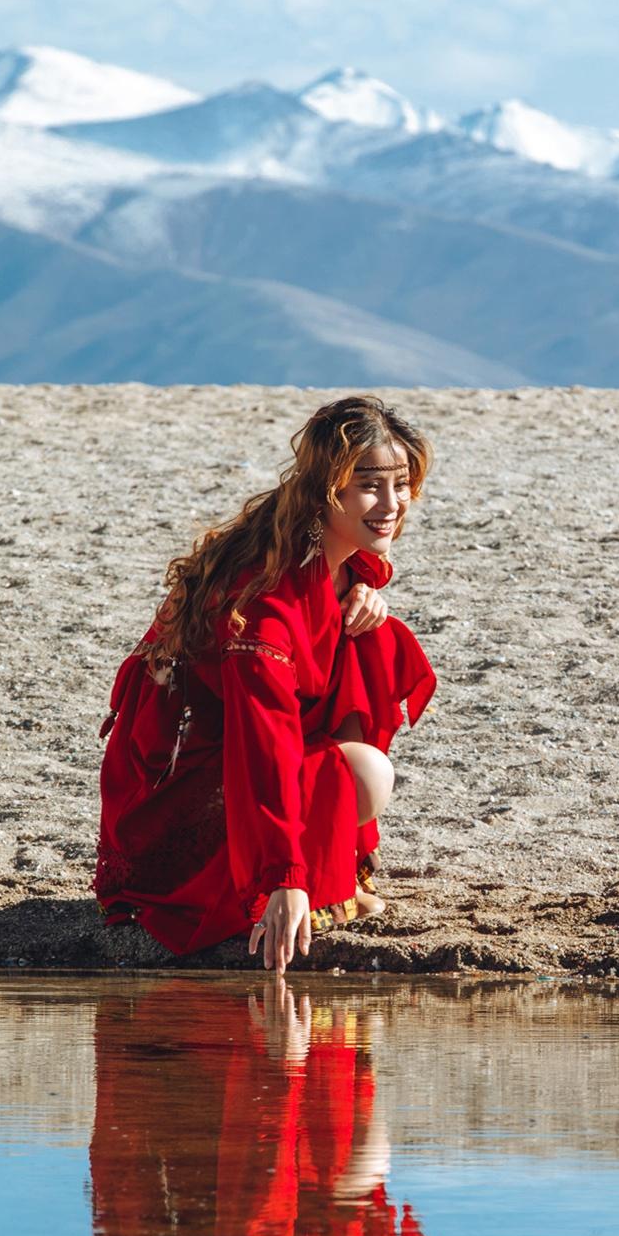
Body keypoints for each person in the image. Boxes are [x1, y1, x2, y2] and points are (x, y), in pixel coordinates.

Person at [93, 394, 437, 971]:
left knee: (376, 637)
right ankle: (307, 880)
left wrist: (368, 598)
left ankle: (340, 866)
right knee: (358, 770)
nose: (392, 503)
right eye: (370, 485)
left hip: (224, 768)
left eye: (401, 483)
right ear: (330, 489)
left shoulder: (329, 560)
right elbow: (263, 743)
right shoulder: (264, 605)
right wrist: (285, 880)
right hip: (176, 814)